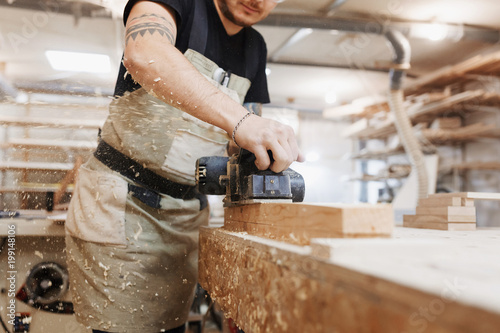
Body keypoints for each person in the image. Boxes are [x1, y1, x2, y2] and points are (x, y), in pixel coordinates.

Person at [64, 0, 304, 332]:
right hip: (123, 207)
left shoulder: (254, 46)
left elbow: (242, 138)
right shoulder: (181, 5)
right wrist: (243, 121)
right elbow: (144, 51)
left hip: (186, 218)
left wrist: (264, 150)